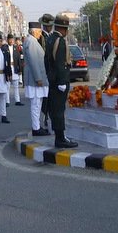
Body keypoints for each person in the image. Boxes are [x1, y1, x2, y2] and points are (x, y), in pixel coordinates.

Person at [44, 15, 77, 149]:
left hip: (52, 79)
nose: (67, 31)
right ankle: (60, 138)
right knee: (59, 110)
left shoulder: (50, 39)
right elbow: (60, 63)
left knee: (54, 109)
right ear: (63, 28)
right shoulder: (60, 40)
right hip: (59, 81)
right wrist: (62, 81)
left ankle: (60, 136)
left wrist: (50, 76)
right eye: (66, 28)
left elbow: (47, 61)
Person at [21, 20, 51, 137]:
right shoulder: (31, 42)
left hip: (36, 79)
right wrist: (39, 78)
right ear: (34, 31)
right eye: (39, 32)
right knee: (36, 104)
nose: (40, 34)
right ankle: (36, 128)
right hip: (35, 80)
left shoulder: (31, 41)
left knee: (37, 103)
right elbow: (33, 62)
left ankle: (37, 126)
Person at [6, 34, 23, 106]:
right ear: (7, 40)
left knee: (16, 86)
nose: (11, 41)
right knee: (7, 86)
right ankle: (7, 101)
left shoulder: (16, 48)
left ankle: (17, 100)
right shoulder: (4, 48)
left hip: (15, 67)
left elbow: (19, 59)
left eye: (12, 39)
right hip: (8, 68)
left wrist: (20, 70)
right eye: (10, 39)